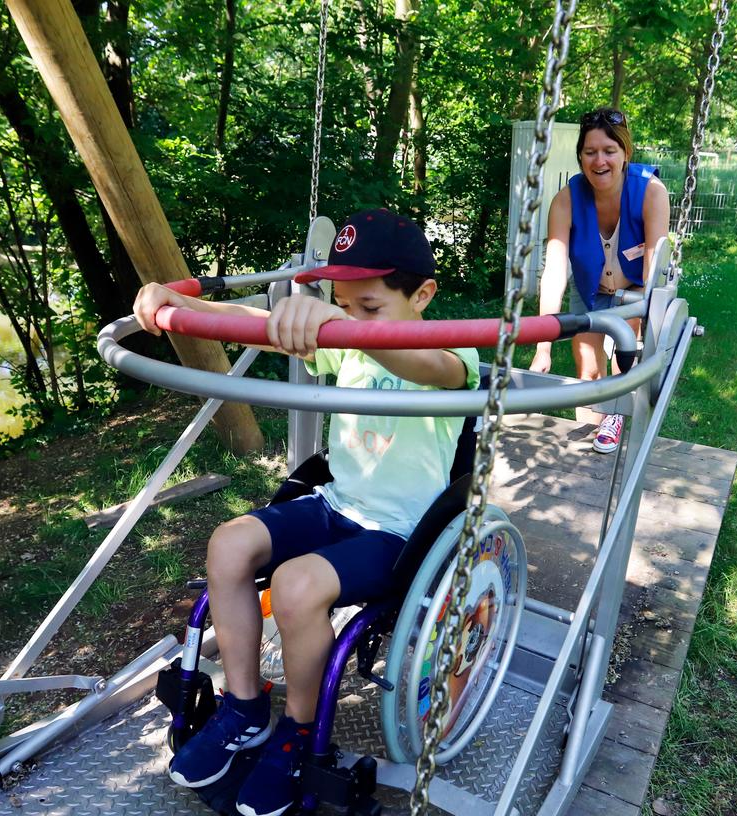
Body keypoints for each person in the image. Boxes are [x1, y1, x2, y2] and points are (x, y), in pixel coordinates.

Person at [133, 208, 479, 816]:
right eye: (341, 305)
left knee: (296, 585)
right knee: (229, 543)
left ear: (422, 294)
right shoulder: (343, 344)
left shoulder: (451, 352)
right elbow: (257, 320)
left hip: (401, 533)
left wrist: (337, 325)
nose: (349, 321)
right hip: (337, 503)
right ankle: (244, 706)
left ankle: (297, 728)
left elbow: (428, 364)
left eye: (367, 308)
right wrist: (174, 297)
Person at [529, 108, 669, 454]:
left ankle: (615, 418)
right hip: (590, 287)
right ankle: (590, 427)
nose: (599, 161)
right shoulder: (566, 200)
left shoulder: (651, 192)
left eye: (609, 151)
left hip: (635, 287)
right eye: (590, 152)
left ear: (626, 154)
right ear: (580, 156)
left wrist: (645, 316)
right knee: (588, 367)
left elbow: (652, 265)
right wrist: (542, 345)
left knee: (623, 359)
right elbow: (555, 270)